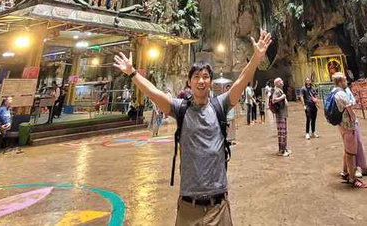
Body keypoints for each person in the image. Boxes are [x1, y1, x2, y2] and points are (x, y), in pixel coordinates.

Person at [114, 28, 272, 226]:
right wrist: (132, 73)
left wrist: (256, 58)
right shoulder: (180, 108)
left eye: (205, 76)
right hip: (189, 206)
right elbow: (154, 94)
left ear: (210, 82)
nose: (201, 80)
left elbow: (240, 82)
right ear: (189, 82)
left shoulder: (220, 105)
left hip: (218, 204)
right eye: (196, 76)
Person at [332, 72, 367, 189]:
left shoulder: (333, 92)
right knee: (351, 151)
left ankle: (345, 172)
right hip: (348, 125)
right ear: (340, 82)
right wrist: (354, 119)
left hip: (340, 124)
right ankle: (352, 177)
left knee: (348, 149)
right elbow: (351, 111)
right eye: (345, 80)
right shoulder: (341, 94)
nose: (347, 82)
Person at [271, 78, 289, 157]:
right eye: (281, 81)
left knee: (284, 132)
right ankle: (281, 150)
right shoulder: (277, 90)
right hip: (280, 115)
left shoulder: (279, 90)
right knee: (282, 133)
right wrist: (282, 97)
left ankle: (284, 148)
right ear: (277, 83)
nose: (282, 81)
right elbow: (273, 100)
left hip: (283, 114)